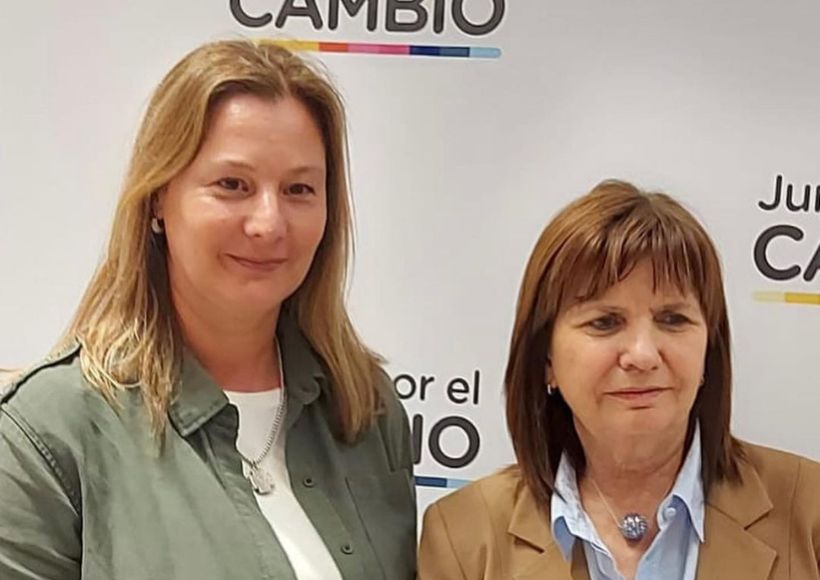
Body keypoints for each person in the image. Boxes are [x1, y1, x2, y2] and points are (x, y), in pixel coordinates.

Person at [0, 39, 416, 580]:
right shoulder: (47, 432)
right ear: (158, 197)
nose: (268, 223)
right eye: (232, 185)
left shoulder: (366, 409)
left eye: (298, 189)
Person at [418, 180, 820, 580]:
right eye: (605, 322)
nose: (643, 355)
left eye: (672, 319)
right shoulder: (464, 536)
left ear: (708, 350)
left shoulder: (810, 509)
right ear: (546, 359)